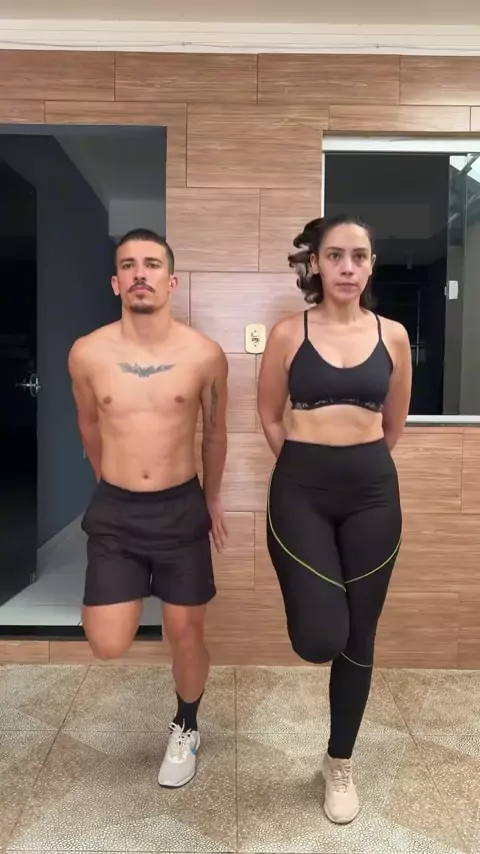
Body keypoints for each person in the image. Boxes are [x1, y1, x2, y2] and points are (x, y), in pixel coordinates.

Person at [257, 214, 412, 825]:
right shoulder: (287, 333)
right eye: (335, 256)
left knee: (360, 633)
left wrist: (357, 465)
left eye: (360, 256)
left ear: (371, 266)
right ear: (316, 264)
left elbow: (393, 423)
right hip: (301, 491)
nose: (348, 267)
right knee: (320, 637)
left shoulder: (393, 336)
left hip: (372, 493)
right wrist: (304, 466)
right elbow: (270, 415)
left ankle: (339, 761)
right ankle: (322, 635)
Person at [68, 228, 228, 789]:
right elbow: (89, 425)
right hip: (116, 511)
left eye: (152, 264)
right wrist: (107, 481)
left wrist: (211, 500)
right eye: (129, 265)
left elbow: (215, 434)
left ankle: (187, 724)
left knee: (185, 632)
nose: (141, 273)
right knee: (107, 643)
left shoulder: (204, 355)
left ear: (171, 280)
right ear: (116, 282)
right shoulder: (87, 353)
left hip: (180, 507)